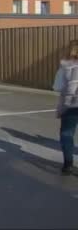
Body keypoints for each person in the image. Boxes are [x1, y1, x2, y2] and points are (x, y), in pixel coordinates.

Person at [52, 45, 78, 175]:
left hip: (70, 104)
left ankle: (68, 164)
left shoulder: (65, 68)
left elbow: (57, 86)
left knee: (67, 134)